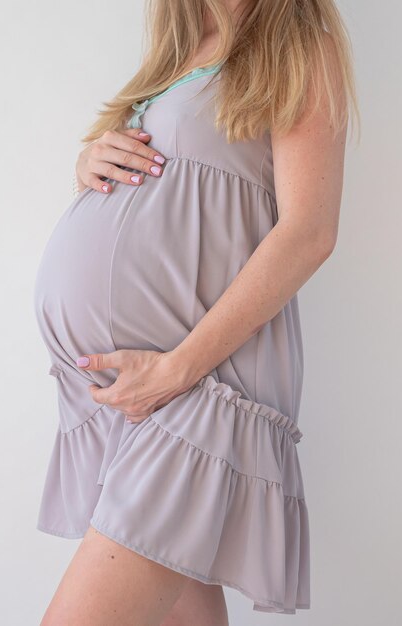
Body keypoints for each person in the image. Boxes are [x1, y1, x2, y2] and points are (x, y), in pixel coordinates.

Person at [33, 1, 358, 624]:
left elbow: (310, 231)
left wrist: (179, 369)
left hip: (199, 389)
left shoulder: (296, 46)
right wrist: (90, 166)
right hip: (132, 397)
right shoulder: (177, 53)